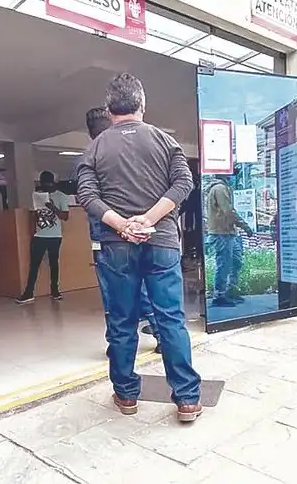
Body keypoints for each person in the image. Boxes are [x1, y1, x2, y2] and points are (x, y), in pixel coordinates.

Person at [77, 73, 203, 423]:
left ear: (108, 108)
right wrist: (148, 220)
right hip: (161, 241)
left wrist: (122, 225)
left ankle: (127, 395)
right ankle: (188, 399)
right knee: (171, 320)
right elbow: (184, 182)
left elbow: (86, 195)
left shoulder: (96, 147)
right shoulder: (165, 141)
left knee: (121, 322)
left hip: (117, 246)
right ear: (142, 105)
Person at [81, 107, 161, 354]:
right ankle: (161, 335)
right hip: (142, 233)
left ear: (89, 132)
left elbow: (89, 199)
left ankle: (117, 345)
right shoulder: (136, 154)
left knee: (113, 294)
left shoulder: (91, 156)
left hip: (107, 240)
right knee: (145, 287)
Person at [16, 171, 70, 303]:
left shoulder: (61, 196)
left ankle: (55, 291)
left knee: (53, 264)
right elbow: (33, 216)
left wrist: (52, 207)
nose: (46, 186)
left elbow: (65, 217)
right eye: (43, 183)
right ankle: (29, 293)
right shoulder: (37, 196)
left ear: (53, 182)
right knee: (34, 265)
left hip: (55, 236)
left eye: (48, 183)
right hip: (39, 235)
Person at [205, 173, 254, 307]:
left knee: (235, 262)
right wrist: (245, 226)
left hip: (228, 232)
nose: (234, 177)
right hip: (222, 233)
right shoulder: (220, 188)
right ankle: (219, 295)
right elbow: (228, 211)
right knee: (224, 265)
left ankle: (230, 291)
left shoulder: (221, 187)